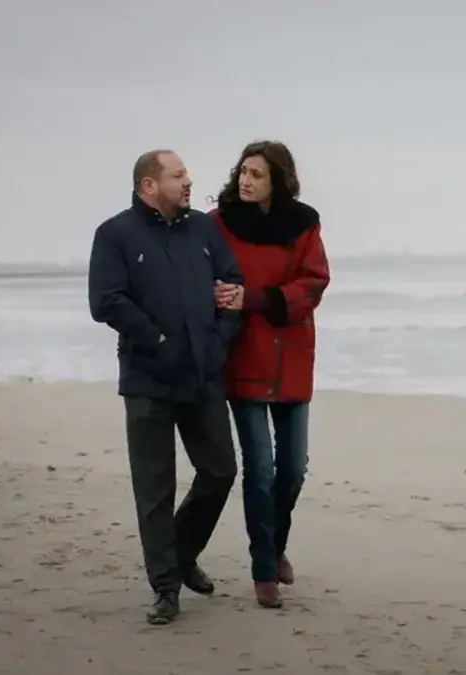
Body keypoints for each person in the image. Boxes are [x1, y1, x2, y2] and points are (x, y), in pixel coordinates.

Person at [87, 149, 244, 625]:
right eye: (178, 176)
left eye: (187, 176)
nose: (188, 183)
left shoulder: (202, 228)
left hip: (201, 374)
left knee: (220, 471)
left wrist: (219, 340)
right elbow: (105, 301)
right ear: (148, 185)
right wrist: (157, 340)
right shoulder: (115, 234)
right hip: (148, 381)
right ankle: (165, 588)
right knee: (155, 489)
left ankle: (179, 553)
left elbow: (231, 283)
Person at [207, 140, 330, 609]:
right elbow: (209, 275)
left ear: (278, 180)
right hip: (244, 356)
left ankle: (276, 545)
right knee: (258, 467)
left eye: (256, 174)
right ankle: (263, 569)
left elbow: (314, 282)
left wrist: (256, 299)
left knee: (292, 469)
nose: (245, 180)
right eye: (242, 171)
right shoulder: (219, 223)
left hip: (292, 354)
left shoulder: (304, 223)